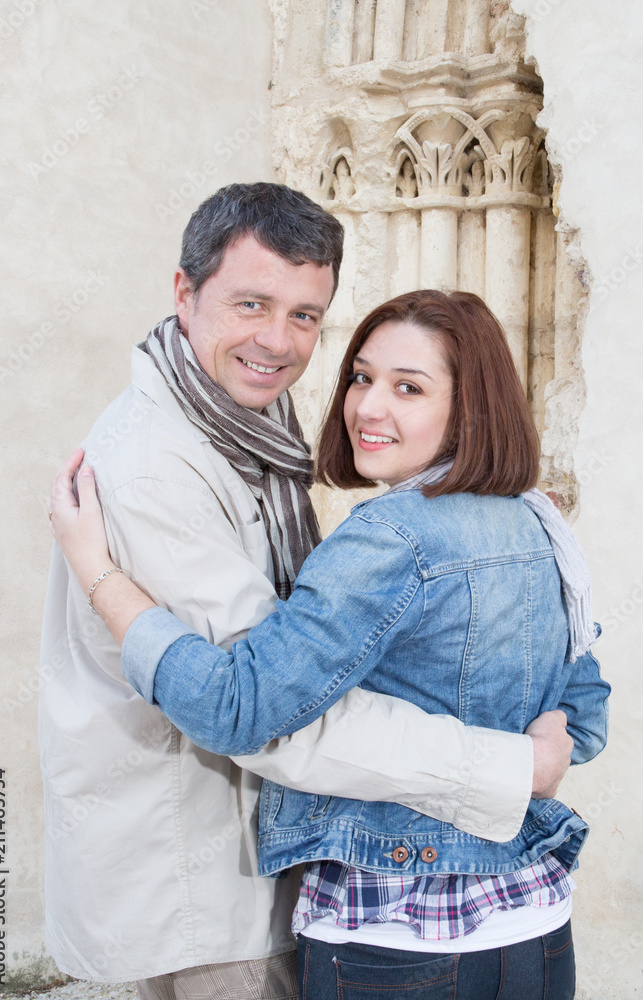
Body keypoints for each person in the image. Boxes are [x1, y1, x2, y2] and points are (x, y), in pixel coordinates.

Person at [42, 186, 574, 1000]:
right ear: (183, 293)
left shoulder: (257, 427)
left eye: (303, 315)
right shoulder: (157, 464)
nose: (278, 342)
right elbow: (258, 717)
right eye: (251, 303)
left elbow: (259, 692)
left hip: (359, 895)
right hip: (210, 884)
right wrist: (514, 764)